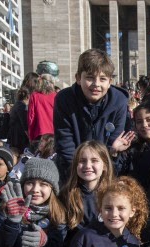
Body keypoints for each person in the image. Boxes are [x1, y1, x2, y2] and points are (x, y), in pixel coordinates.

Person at [53, 49, 129, 184]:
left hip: (105, 170)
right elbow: (65, 142)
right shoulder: (64, 99)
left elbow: (113, 141)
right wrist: (82, 174)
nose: (96, 84)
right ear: (78, 78)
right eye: (89, 78)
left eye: (103, 79)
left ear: (110, 81)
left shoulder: (120, 101)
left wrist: (97, 175)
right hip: (71, 172)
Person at [8, 73, 40, 153]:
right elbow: (25, 125)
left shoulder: (19, 104)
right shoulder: (22, 106)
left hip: (19, 138)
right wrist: (32, 140)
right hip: (20, 140)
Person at [27, 74, 57, 142]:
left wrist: (31, 136)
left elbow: (31, 117)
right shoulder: (56, 96)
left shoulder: (34, 96)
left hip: (39, 133)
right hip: (54, 133)